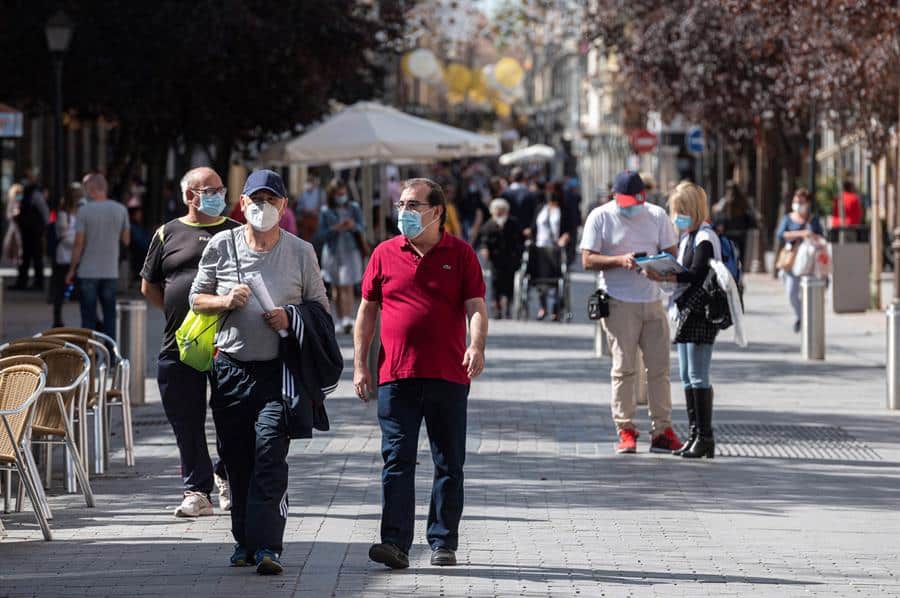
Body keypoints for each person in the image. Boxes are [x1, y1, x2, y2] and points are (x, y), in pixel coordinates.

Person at [190, 169, 328, 575]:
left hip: (277, 375)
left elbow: (319, 308)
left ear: (284, 206)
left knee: (269, 454)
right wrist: (225, 300)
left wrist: (290, 317)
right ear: (243, 204)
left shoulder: (301, 252)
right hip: (230, 370)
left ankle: (269, 546)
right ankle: (244, 543)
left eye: (271, 200)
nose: (262, 208)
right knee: (237, 459)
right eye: (255, 200)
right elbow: (197, 299)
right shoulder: (220, 245)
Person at [354, 177, 488, 570]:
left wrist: (476, 345)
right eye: (401, 205)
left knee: (449, 461)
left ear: (437, 212)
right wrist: (361, 364)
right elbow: (366, 312)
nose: (405, 213)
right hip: (396, 375)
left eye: (413, 206)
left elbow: (476, 307)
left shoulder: (460, 254)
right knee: (397, 459)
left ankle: (443, 541)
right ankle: (394, 543)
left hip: (448, 374)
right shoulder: (384, 253)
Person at [141, 167, 239, 519]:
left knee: (232, 415)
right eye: (208, 189)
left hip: (228, 343)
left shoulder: (236, 232)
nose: (216, 194)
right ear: (189, 196)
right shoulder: (168, 233)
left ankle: (226, 474)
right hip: (178, 344)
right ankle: (198, 489)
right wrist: (179, 315)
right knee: (186, 419)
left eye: (219, 188)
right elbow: (149, 285)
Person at [581, 170, 683, 454]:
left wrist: (657, 267)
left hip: (652, 300)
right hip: (617, 300)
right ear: (614, 196)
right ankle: (625, 429)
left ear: (643, 197)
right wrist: (618, 260)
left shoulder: (656, 216)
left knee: (659, 368)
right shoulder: (600, 216)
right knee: (624, 368)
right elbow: (587, 259)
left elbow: (671, 254)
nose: (628, 207)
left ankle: (662, 429)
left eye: (633, 202)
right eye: (623, 201)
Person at [646, 182, 721, 459]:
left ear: (692, 210)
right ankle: (694, 434)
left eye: (680, 211)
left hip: (701, 312)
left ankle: (705, 436)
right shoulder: (690, 237)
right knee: (687, 376)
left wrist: (664, 275)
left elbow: (697, 274)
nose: (677, 217)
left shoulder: (704, 238)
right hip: (687, 310)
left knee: (698, 375)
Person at [65, 173, 130, 340]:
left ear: (92, 190)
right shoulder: (121, 209)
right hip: (110, 271)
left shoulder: (84, 211)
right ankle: (112, 357)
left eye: (86, 189)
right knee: (110, 317)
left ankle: (90, 356)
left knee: (88, 320)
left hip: (87, 272)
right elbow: (126, 240)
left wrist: (72, 269)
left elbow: (78, 243)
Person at [319, 179, 364, 334]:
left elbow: (361, 226)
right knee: (336, 286)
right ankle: (340, 319)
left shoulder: (354, 208)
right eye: (338, 194)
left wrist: (353, 226)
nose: (342, 196)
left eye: (343, 193)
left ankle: (347, 318)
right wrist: (335, 228)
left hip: (350, 250)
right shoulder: (326, 210)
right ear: (332, 195)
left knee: (348, 285)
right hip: (333, 252)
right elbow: (321, 234)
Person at [776, 188, 824, 333]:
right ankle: (801, 315)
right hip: (792, 260)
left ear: (808, 203)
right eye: (796, 201)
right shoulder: (788, 218)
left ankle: (805, 319)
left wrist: (812, 236)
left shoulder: (813, 220)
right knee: (791, 293)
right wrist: (801, 233)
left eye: (801, 202)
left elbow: (821, 238)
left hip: (809, 261)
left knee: (808, 291)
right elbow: (780, 235)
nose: (798, 204)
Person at [530, 181, 576, 321]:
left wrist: (565, 237)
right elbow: (533, 227)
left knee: (558, 278)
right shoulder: (540, 208)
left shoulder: (564, 209)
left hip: (556, 249)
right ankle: (543, 307)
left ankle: (556, 309)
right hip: (540, 249)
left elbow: (570, 229)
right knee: (539, 277)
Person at [478, 198, 523, 318]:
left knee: (509, 283)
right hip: (495, 260)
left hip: (510, 259)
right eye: (496, 210)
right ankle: (496, 305)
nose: (499, 213)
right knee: (495, 283)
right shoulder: (489, 225)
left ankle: (508, 305)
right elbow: (483, 241)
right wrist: (484, 249)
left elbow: (520, 241)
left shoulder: (513, 223)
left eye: (501, 210)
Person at [50, 183, 80, 327]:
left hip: (78, 255)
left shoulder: (81, 212)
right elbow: (63, 236)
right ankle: (57, 318)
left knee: (81, 289)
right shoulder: (63, 214)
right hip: (64, 256)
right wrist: (80, 242)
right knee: (60, 288)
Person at [13, 169, 49, 291]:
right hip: (27, 229)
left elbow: (44, 210)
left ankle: (38, 282)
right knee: (26, 257)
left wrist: (45, 226)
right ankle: (22, 281)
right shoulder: (25, 192)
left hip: (34, 230)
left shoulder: (35, 193)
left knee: (36, 256)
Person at [712, 182, 757, 270]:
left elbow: (716, 210)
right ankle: (740, 271)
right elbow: (749, 211)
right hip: (741, 231)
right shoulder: (743, 200)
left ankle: (731, 269)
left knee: (728, 252)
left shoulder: (725, 200)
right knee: (741, 254)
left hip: (728, 231)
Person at [502, 167, 537, 237]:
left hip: (509, 231)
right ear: (523, 178)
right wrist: (531, 228)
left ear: (511, 178)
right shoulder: (530, 193)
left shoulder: (505, 194)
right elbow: (535, 212)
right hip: (526, 230)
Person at [3, 183, 23, 268]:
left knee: (19, 242)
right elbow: (8, 214)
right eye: (17, 193)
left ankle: (19, 258)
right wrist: (14, 213)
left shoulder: (22, 201)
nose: (18, 195)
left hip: (21, 225)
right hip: (13, 225)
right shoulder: (12, 201)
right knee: (10, 241)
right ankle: (10, 258)